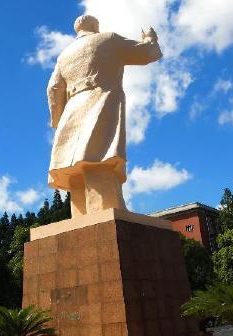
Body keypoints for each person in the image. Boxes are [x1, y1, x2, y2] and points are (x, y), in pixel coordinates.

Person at [47, 14, 162, 218]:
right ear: (95, 25)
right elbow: (147, 54)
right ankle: (105, 210)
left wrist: (58, 121)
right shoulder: (108, 39)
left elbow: (54, 89)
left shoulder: (64, 55)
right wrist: (150, 39)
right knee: (98, 158)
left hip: (72, 109)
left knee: (76, 167)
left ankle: (81, 217)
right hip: (100, 98)